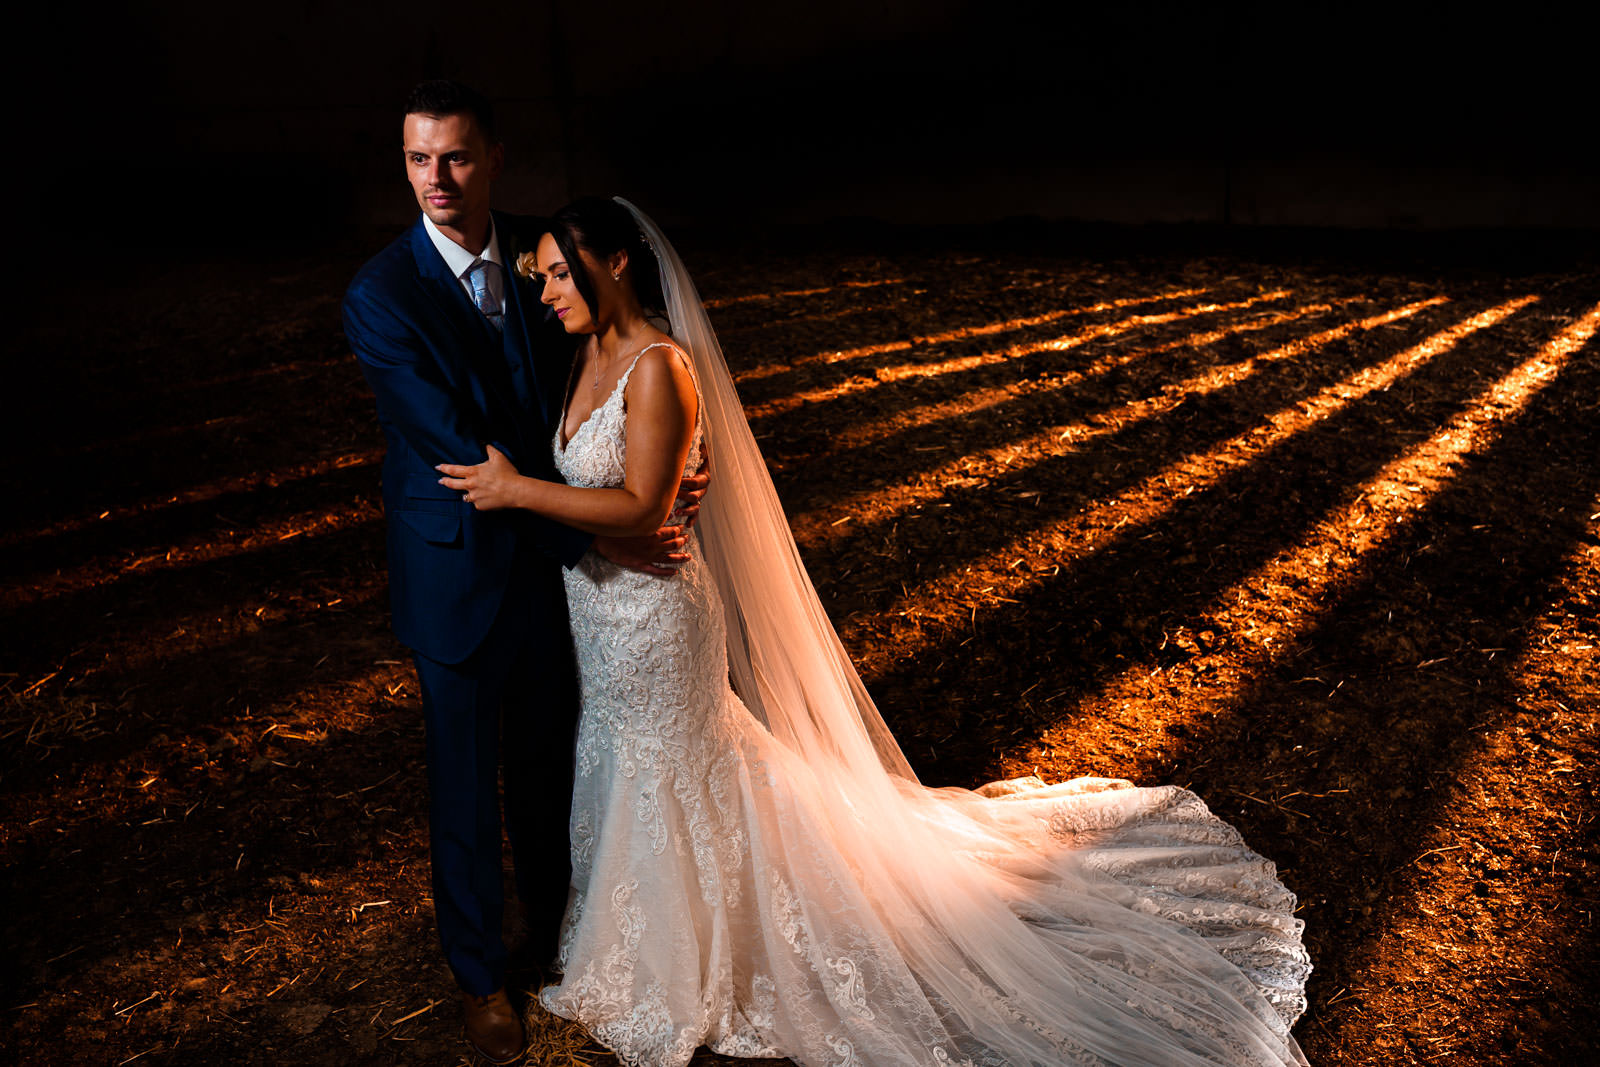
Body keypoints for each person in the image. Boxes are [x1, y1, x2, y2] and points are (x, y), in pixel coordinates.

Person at [438, 197, 1313, 1066]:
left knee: (675, 762)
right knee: (627, 760)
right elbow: (620, 503)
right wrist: (604, 516)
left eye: (561, 272)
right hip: (599, 615)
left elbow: (640, 505)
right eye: (543, 275)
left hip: (657, 617)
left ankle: (685, 957)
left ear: (617, 262)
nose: (548, 291)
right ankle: (631, 934)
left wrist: (520, 492)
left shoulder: (659, 366)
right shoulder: (581, 352)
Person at [342, 84, 705, 1065]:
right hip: (458, 571)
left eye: (455, 158)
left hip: (557, 583)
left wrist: (667, 462)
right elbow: (461, 454)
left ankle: (556, 941)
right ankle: (478, 979)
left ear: (495, 157)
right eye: (417, 159)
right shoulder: (381, 294)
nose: (436, 180)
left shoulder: (553, 258)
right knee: (463, 789)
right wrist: (608, 530)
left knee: (550, 769)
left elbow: (623, 365)